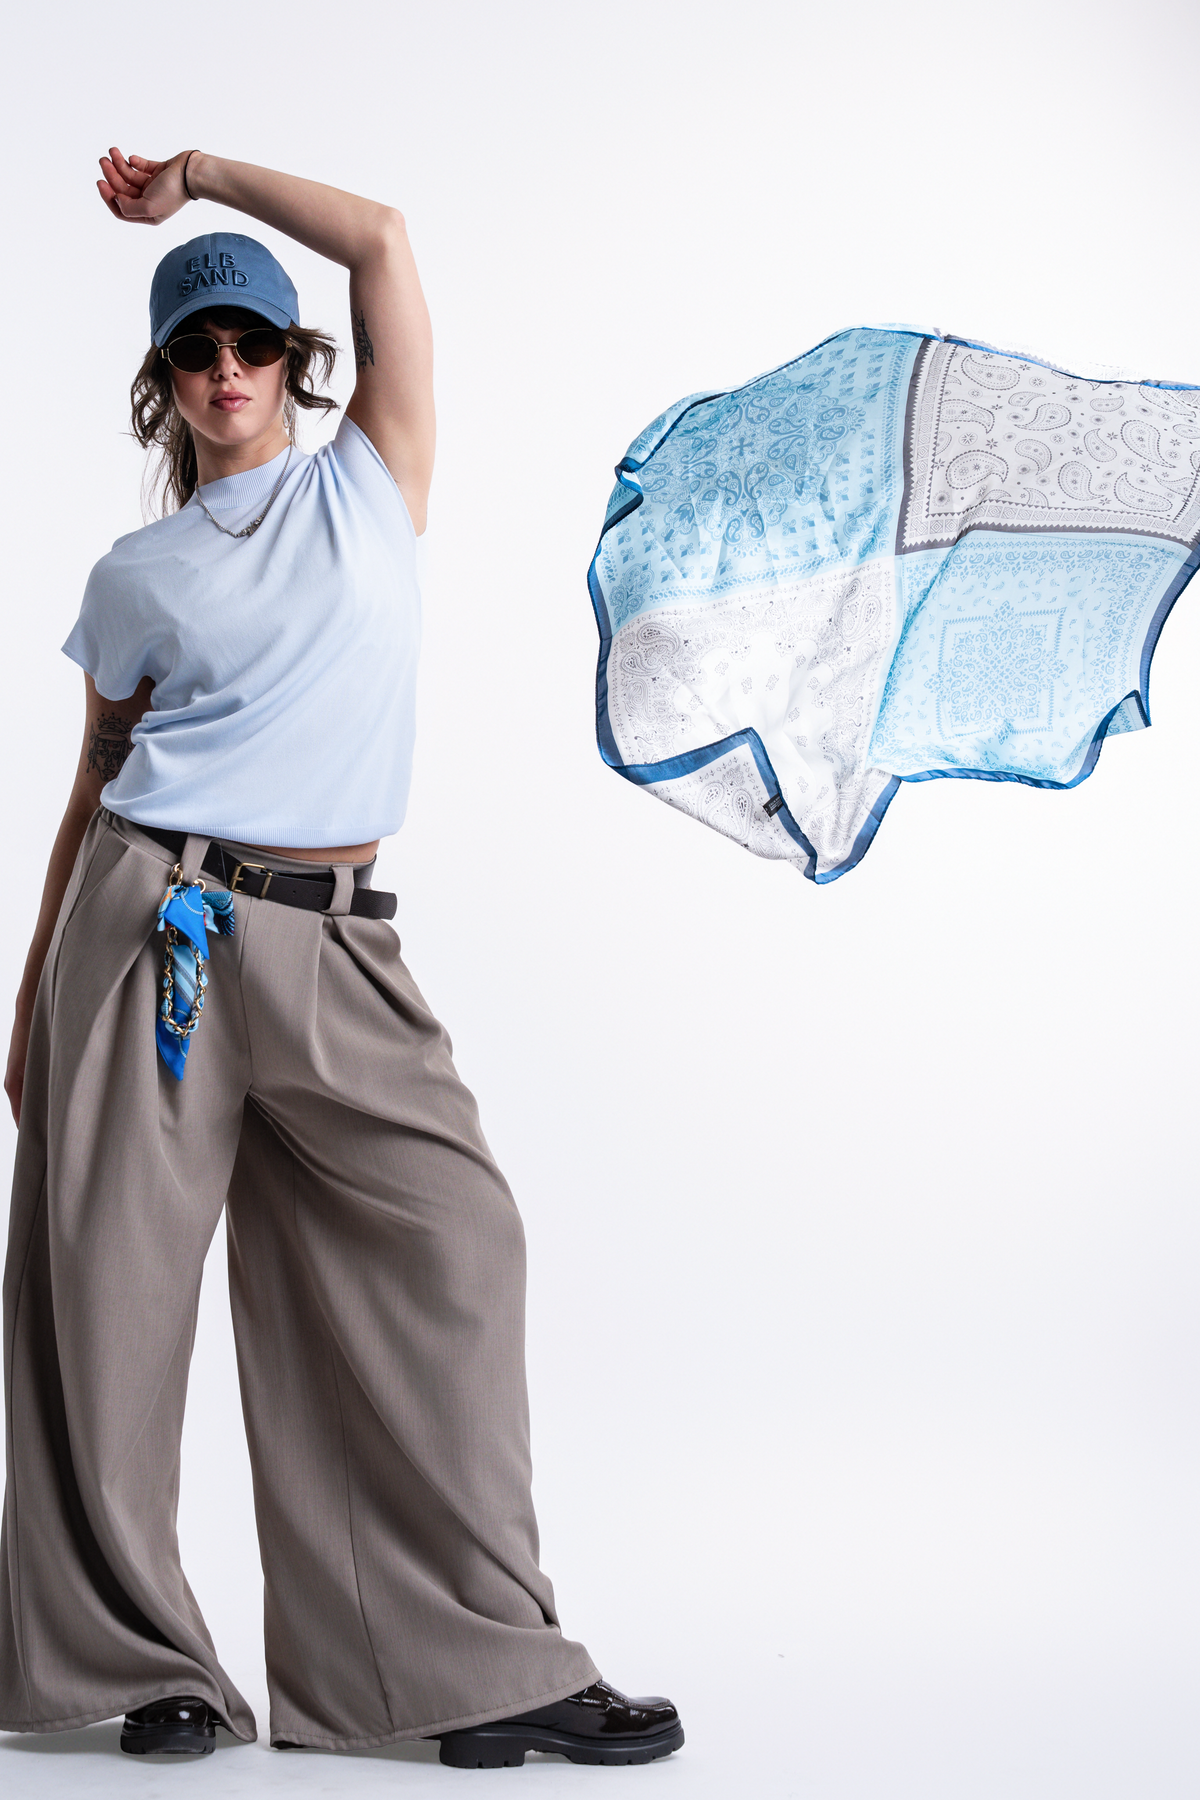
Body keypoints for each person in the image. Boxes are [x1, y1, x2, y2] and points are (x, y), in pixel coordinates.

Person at [0, 146, 683, 1770]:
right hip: (150, 929)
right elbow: (96, 784)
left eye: (253, 343)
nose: (227, 370)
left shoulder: (372, 476)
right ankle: (138, 1665)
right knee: (108, 1295)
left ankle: (457, 1669)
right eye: (196, 351)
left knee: (459, 1243)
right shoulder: (135, 576)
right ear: (165, 384)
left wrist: (196, 180)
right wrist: (29, 999)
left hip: (335, 939)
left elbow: (381, 235)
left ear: (298, 363)